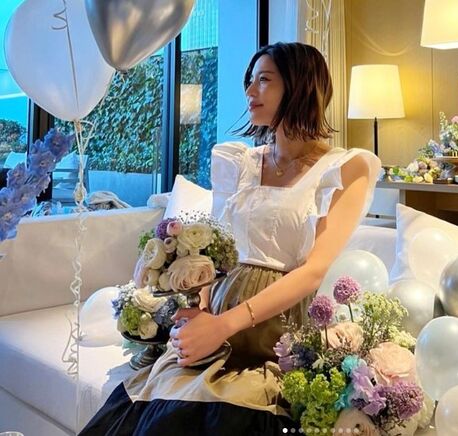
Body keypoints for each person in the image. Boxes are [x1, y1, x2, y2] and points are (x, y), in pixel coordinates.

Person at [80, 41, 381, 435]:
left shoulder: (343, 168)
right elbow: (215, 252)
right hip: (216, 323)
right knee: (149, 415)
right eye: (250, 81)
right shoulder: (239, 162)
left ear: (301, 86)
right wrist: (202, 309)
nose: (250, 91)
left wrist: (223, 326)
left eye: (264, 80)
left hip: (275, 334)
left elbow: (313, 271)